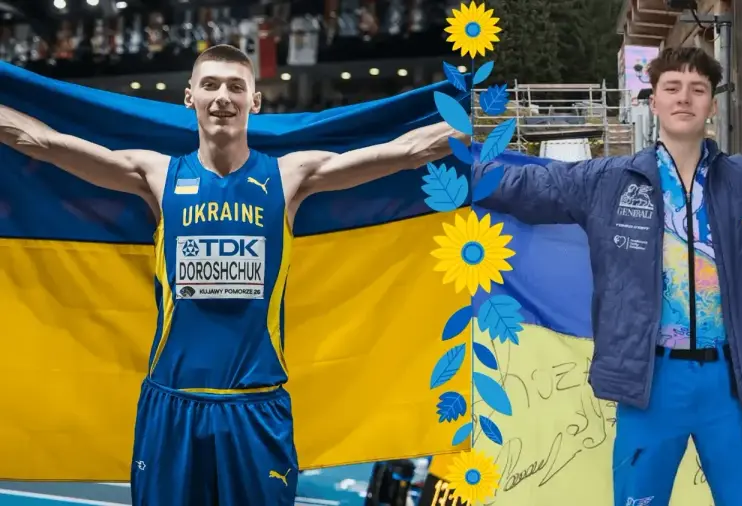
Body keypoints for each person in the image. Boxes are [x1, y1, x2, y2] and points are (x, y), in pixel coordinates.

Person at [0, 44, 465, 506]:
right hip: (173, 406)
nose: (223, 96)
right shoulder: (157, 175)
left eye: (235, 87)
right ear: (190, 97)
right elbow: (41, 143)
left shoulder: (290, 177)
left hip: (255, 411)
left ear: (254, 102)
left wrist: (488, 117)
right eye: (210, 85)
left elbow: (408, 150)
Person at [473, 46, 742, 506]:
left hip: (732, 383)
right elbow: (518, 186)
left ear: (712, 105)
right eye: (672, 87)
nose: (684, 98)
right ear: (653, 100)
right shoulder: (606, 181)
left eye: (697, 89)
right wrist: (445, 162)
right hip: (649, 382)